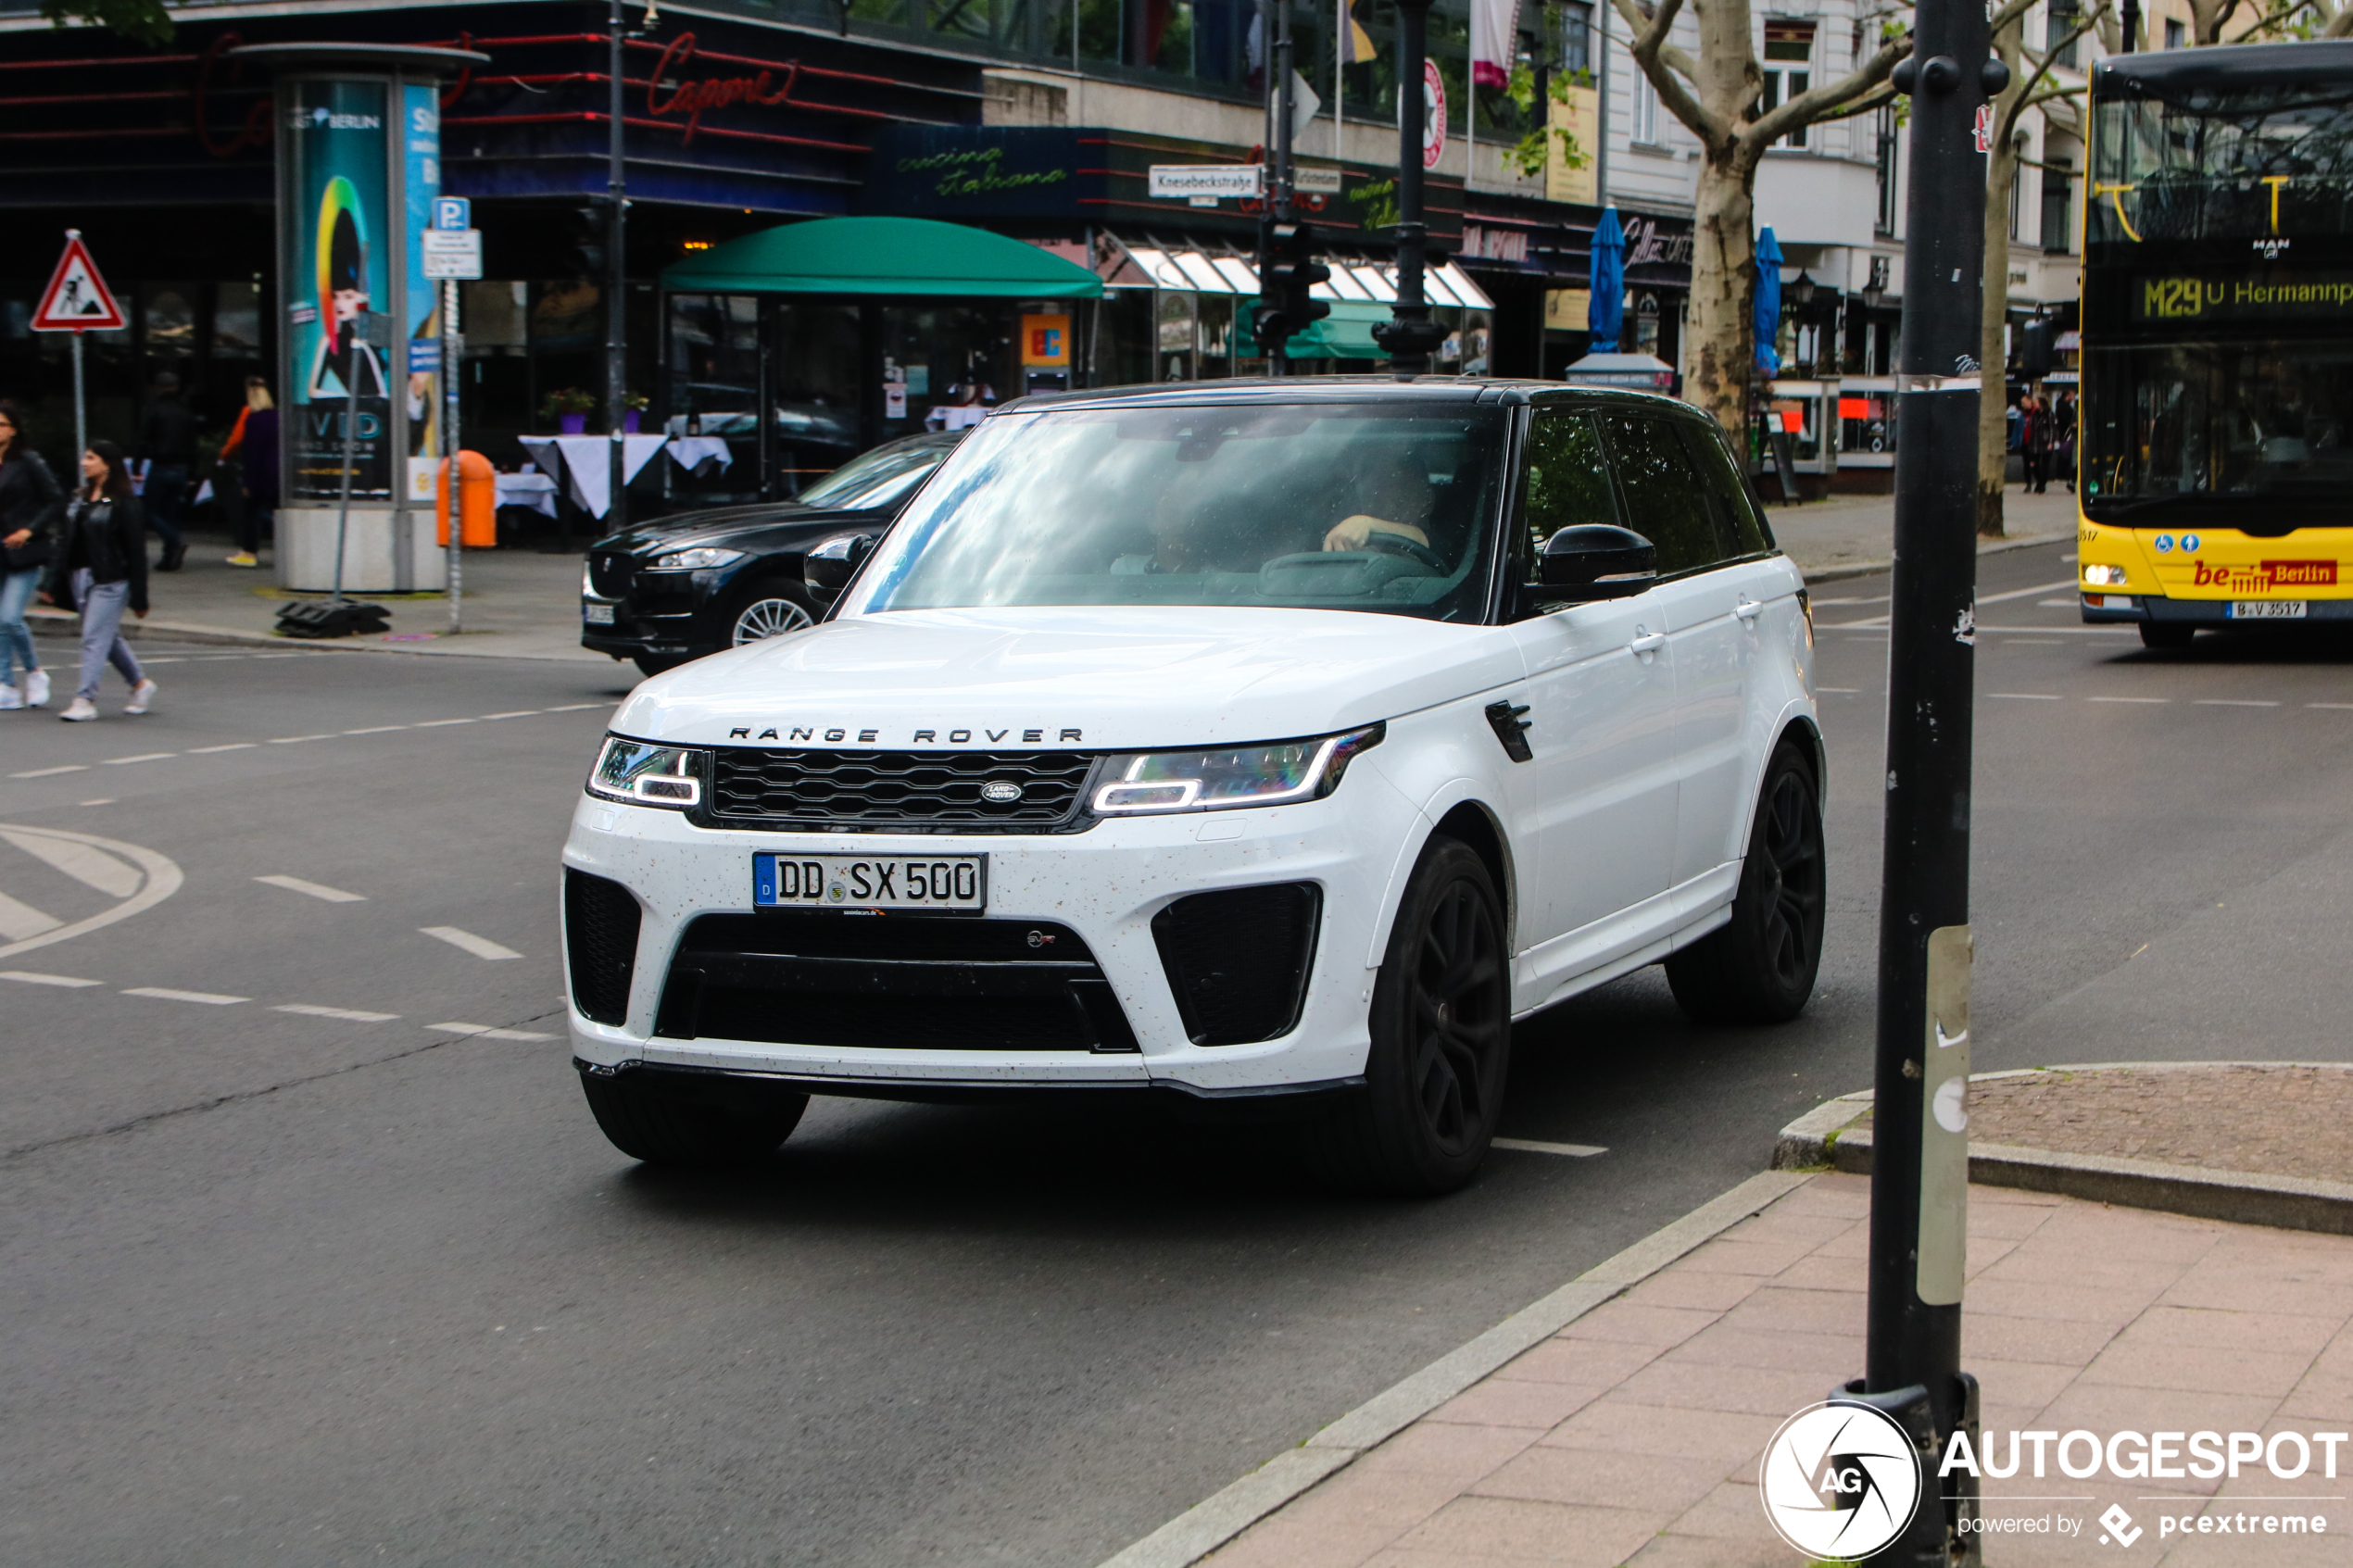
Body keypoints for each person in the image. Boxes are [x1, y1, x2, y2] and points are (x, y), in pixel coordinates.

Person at [57, 440, 155, 721]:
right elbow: (67, 541)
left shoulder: (126, 503)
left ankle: (84, 699)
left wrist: (140, 595)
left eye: (90, 458)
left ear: (108, 464)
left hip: (112, 578)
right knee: (104, 635)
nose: (84, 463)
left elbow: (137, 551)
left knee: (92, 636)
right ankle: (140, 684)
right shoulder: (79, 497)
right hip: (80, 575)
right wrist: (53, 581)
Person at [0, 398, 63, 709]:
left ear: (13, 430)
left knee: (10, 618)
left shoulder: (28, 461)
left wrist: (29, 530)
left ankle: (35, 672)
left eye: (0, 424)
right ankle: (5, 685)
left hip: (24, 551)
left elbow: (55, 500)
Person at [136, 370, 195, 571]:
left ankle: (174, 543)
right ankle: (169, 557)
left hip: (161, 464)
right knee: (171, 513)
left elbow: (144, 438)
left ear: (156, 388)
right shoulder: (185, 411)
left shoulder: (153, 409)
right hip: (181, 467)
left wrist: (137, 465)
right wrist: (193, 473)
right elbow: (192, 443)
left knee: (150, 511)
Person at [217, 378, 277, 568]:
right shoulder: (278, 416)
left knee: (251, 512)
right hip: (278, 471)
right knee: (277, 510)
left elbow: (250, 451)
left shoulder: (251, 418)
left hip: (260, 473)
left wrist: (247, 482)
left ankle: (249, 553)